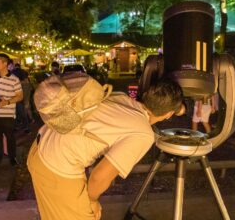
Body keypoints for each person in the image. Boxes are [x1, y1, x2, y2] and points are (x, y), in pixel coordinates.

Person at [27, 80, 184, 220]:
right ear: (169, 114)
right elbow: (99, 177)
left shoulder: (120, 97)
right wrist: (92, 201)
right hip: (57, 167)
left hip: (41, 144)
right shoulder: (143, 133)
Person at [0, 53, 23, 167]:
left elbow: (20, 96)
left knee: (10, 138)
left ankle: (12, 157)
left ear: (5, 64)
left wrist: (7, 102)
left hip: (8, 115)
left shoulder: (14, 79)